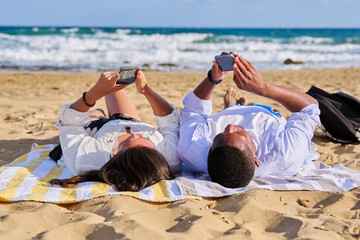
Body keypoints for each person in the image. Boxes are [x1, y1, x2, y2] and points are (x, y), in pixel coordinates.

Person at [178, 53, 320, 188]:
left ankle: (231, 108)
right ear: (256, 158)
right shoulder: (285, 153)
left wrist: (213, 79)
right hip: (266, 114)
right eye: (239, 134)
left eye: (221, 134)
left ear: (208, 153)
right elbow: (310, 107)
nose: (230, 126)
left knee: (215, 120)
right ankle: (234, 107)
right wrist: (262, 88)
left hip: (224, 115)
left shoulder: (192, 149)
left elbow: (192, 109)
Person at [50, 70, 182, 191]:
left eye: (128, 141)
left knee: (97, 112)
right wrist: (146, 90)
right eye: (143, 140)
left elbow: (70, 122)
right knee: (115, 89)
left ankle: (98, 114)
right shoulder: (170, 157)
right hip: (128, 120)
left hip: (95, 129)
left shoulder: (88, 158)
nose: (133, 135)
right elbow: (170, 121)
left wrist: (95, 93)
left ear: (115, 157)